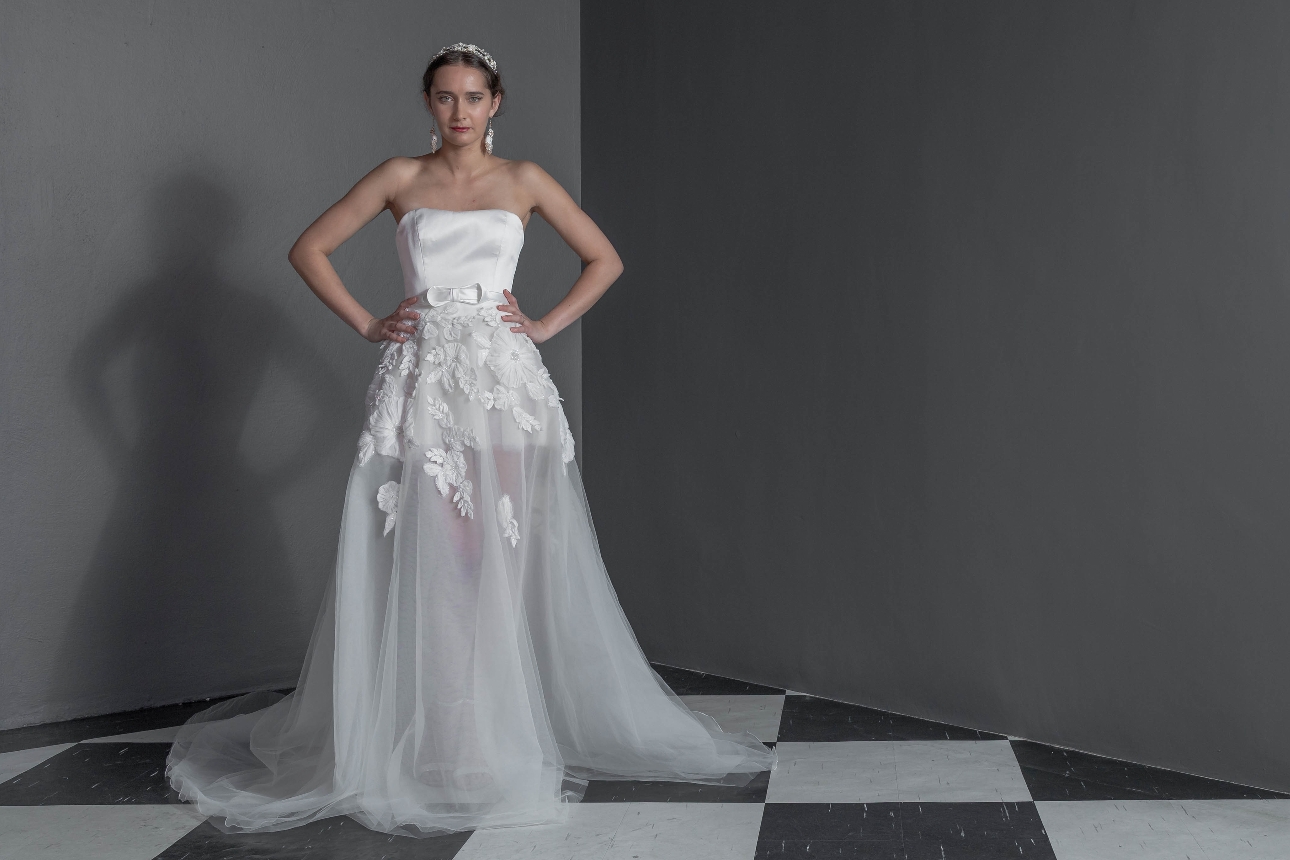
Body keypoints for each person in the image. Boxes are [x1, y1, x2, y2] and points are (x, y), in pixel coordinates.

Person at [165, 42, 776, 839]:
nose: (459, 112)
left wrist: (547, 323)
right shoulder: (398, 177)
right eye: (446, 97)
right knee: (438, 567)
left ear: (496, 104)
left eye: (474, 97)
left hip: (503, 388)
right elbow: (307, 249)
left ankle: (495, 744)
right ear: (429, 102)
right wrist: (368, 322)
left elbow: (604, 258)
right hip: (423, 390)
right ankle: (443, 748)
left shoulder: (523, 182)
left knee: (501, 566)